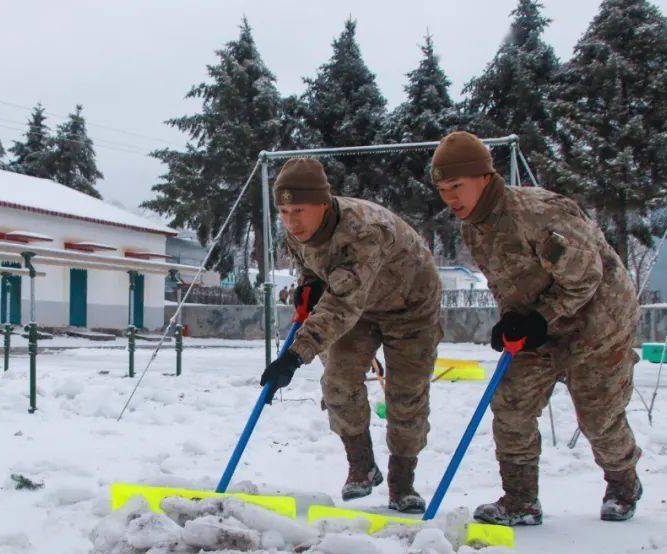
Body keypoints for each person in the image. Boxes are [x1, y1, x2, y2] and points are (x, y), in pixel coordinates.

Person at [430, 131, 643, 525]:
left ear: (486, 177)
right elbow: (506, 281)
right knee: (510, 403)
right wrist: (512, 319)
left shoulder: (540, 213)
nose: (451, 198)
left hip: (598, 321)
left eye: (457, 186)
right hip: (541, 322)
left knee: (597, 416)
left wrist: (539, 318)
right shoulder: (473, 227)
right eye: (443, 190)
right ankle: (521, 501)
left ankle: (622, 482)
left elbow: (585, 279)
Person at [259, 158, 442, 511]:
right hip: (359, 302)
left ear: (324, 204)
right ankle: (361, 466)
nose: (291, 220)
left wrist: (295, 356)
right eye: (283, 211)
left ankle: (402, 482)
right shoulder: (297, 233)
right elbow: (315, 270)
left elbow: (342, 305)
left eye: (299, 209)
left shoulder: (363, 232)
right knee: (338, 383)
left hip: (411, 305)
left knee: (406, 395)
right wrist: (310, 285)